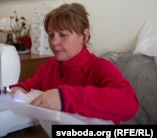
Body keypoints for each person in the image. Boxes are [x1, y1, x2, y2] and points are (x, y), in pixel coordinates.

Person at [9, 3, 139, 124]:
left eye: (63, 34)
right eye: (50, 35)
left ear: (84, 36)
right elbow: (28, 87)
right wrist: (19, 89)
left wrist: (64, 98)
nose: (54, 42)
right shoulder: (49, 67)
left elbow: (130, 104)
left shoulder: (101, 68)